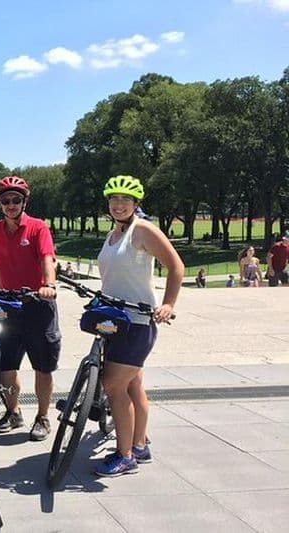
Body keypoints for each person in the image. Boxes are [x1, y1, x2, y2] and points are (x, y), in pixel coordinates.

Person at [94, 175, 184, 477]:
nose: (118, 205)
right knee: (133, 385)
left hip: (137, 322)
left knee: (114, 386)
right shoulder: (113, 234)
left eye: (125, 200)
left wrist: (169, 303)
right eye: (113, 199)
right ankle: (140, 444)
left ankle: (125, 455)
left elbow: (176, 266)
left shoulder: (142, 230)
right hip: (113, 319)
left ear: (135, 204)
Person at [0, 176, 60, 441]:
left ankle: (42, 416)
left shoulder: (38, 228)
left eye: (16, 200)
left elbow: (46, 258)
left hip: (38, 304)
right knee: (6, 366)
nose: (11, 205)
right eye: (5, 200)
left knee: (43, 366)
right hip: (8, 307)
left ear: (24, 201)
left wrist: (48, 284)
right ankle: (13, 411)